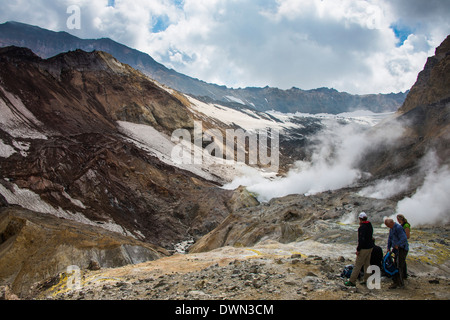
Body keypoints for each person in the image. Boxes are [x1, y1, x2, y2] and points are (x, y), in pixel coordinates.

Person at [345, 212, 374, 287]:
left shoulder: (362, 228)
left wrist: (358, 250)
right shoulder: (369, 224)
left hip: (364, 248)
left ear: (360, 219)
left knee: (357, 265)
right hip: (370, 247)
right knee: (367, 264)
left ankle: (352, 281)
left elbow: (361, 240)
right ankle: (366, 280)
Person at [385, 218, 409, 289]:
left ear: (392, 223)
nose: (388, 227)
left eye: (388, 225)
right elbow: (390, 238)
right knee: (395, 265)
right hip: (395, 249)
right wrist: (388, 248)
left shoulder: (398, 228)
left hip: (402, 249)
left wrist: (397, 244)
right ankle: (396, 281)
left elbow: (404, 238)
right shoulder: (391, 228)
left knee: (400, 266)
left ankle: (400, 283)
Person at [396, 214, 411, 278]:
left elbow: (407, 236)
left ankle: (402, 276)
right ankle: (403, 275)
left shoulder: (406, 225)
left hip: (403, 245)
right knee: (401, 260)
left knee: (401, 261)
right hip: (401, 245)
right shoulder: (401, 225)